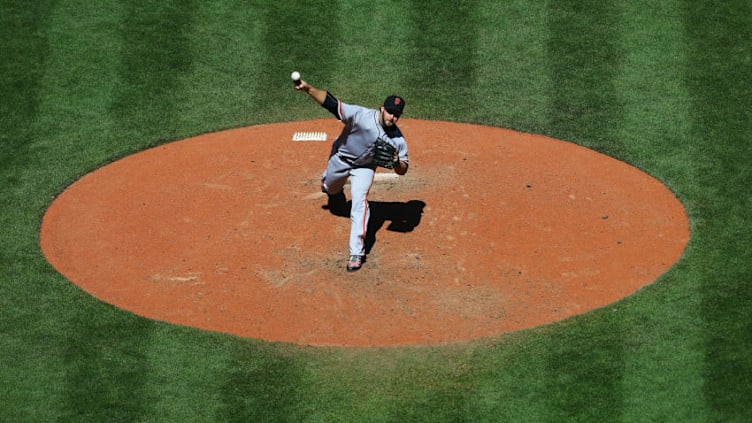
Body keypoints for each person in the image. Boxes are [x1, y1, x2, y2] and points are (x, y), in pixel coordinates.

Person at [295, 78, 409, 272]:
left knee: (359, 201)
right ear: (382, 108)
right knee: (330, 187)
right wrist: (308, 89)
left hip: (365, 168)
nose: (392, 117)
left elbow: (403, 169)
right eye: (390, 112)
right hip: (341, 158)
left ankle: (356, 252)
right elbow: (332, 104)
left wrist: (397, 161)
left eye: (397, 115)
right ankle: (331, 187)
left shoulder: (398, 139)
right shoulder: (361, 115)